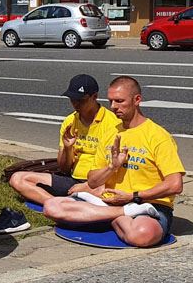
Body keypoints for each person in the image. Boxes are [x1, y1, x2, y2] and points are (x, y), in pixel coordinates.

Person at [43, 77, 185, 247]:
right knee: (51, 207)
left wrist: (133, 196)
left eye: (119, 101)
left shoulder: (158, 136)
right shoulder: (111, 133)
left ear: (137, 100)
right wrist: (112, 167)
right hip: (110, 202)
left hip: (148, 204)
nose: (113, 106)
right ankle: (122, 214)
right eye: (110, 101)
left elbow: (175, 185)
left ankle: (105, 217)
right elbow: (93, 181)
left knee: (142, 235)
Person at [10, 75, 122, 205]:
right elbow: (64, 168)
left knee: (109, 191)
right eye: (73, 99)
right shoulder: (70, 121)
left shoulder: (113, 123)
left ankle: (69, 204)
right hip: (73, 181)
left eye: (81, 100)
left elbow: (115, 168)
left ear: (94, 97)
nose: (76, 104)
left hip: (99, 183)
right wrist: (68, 148)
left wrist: (87, 186)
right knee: (17, 179)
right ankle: (59, 204)